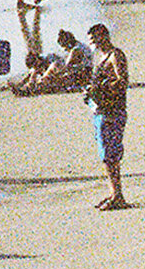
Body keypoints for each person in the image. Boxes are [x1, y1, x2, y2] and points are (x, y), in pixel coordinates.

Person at [85, 21, 129, 210]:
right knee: (106, 155)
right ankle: (113, 193)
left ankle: (118, 195)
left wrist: (101, 88)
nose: (95, 44)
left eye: (96, 39)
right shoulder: (101, 57)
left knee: (111, 155)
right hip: (101, 110)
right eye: (92, 41)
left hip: (112, 110)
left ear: (105, 36)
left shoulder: (115, 55)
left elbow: (123, 81)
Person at [9, 28, 92, 94]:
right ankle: (27, 85)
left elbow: (66, 67)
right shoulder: (79, 46)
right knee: (38, 71)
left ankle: (32, 87)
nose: (64, 49)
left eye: (63, 46)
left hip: (81, 76)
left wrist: (52, 76)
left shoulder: (76, 50)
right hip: (80, 74)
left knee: (53, 68)